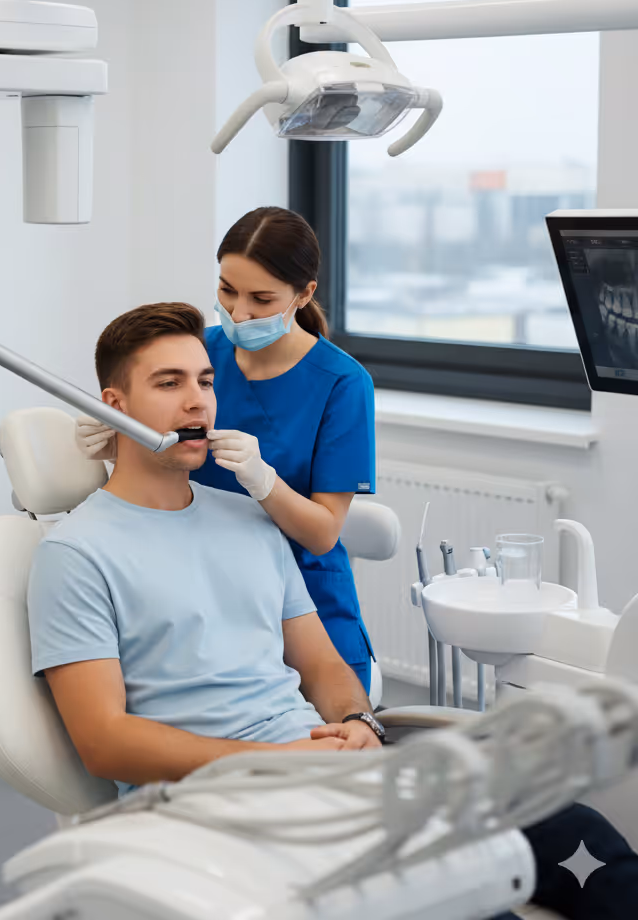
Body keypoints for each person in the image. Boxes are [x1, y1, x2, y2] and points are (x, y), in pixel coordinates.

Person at [39, 302, 638, 920]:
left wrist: (359, 723)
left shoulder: (250, 519)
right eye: (169, 383)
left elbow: (322, 665)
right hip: (223, 798)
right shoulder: (76, 552)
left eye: (206, 381)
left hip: (324, 769)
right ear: (115, 405)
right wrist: (278, 761)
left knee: (570, 829)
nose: (197, 402)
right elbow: (103, 742)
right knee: (461, 895)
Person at [77, 207, 378, 695]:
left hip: (304, 600)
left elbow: (323, 534)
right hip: (204, 588)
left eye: (261, 299)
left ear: (304, 294)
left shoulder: (343, 384)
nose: (239, 313)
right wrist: (118, 439)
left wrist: (266, 483)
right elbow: (165, 468)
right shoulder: (200, 352)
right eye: (226, 290)